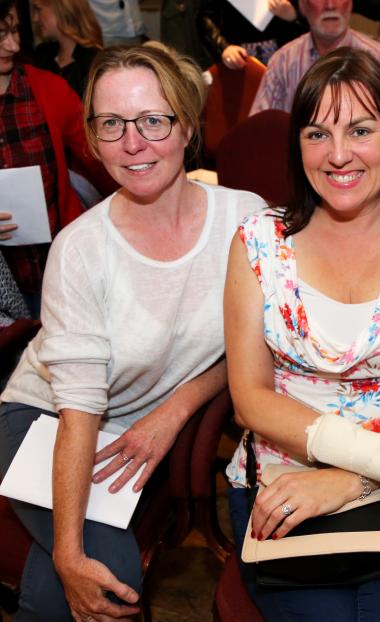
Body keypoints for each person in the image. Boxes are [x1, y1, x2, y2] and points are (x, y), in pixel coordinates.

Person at [0, 42, 264, 620]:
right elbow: (79, 411)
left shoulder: (247, 222)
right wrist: (69, 556)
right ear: (92, 139)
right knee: (106, 579)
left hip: (132, 424)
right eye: (112, 124)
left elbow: (259, 345)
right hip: (45, 417)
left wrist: (175, 408)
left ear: (187, 126)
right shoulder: (81, 249)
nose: (133, 142)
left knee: (63, 599)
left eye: (153, 120)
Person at [224, 47, 380, 621]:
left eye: (361, 130)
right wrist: (324, 479)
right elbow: (250, 399)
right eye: (317, 134)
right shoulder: (257, 242)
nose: (338, 155)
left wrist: (350, 479)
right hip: (280, 476)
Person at [0, 0, 114, 317]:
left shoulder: (49, 89)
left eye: (13, 31)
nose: (14, 44)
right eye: (0, 35)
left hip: (62, 272)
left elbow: (101, 160)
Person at [250, 0, 380, 131]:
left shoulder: (379, 59)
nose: (330, 5)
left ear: (351, 3)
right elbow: (260, 132)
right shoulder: (282, 61)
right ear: (303, 6)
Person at [31, 0, 102, 97]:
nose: (34, 18)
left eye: (38, 9)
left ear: (60, 9)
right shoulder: (42, 54)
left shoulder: (92, 60)